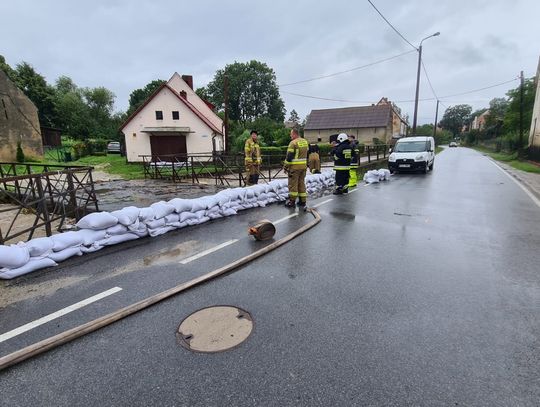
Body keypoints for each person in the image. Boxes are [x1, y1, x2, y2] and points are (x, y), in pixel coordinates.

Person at [283, 128, 309, 208]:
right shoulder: (305, 142)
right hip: (303, 167)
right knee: (301, 184)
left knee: (293, 184)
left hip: (294, 168)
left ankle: (292, 202)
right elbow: (307, 154)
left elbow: (289, 157)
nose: (290, 136)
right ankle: (302, 201)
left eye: (291, 134)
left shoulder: (293, 143)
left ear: (294, 134)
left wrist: (285, 166)